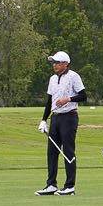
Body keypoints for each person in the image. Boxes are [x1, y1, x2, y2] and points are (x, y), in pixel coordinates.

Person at [36, 51, 85, 196]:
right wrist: (44, 120)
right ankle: (51, 185)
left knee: (68, 151)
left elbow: (83, 95)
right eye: (53, 62)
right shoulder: (52, 79)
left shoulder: (73, 76)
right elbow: (49, 101)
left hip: (69, 117)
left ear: (65, 63)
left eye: (57, 62)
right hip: (55, 118)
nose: (54, 65)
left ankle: (70, 186)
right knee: (52, 152)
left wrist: (68, 99)